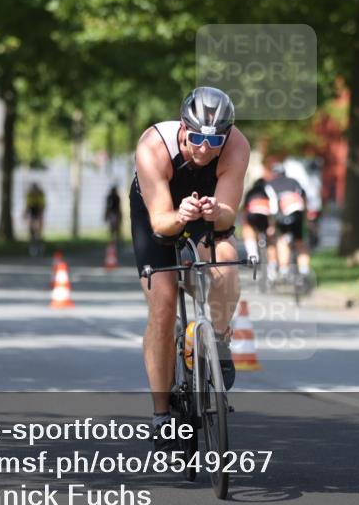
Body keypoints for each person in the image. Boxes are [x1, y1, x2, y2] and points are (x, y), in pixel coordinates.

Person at [130, 86, 250, 447]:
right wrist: (178, 216)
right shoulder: (153, 146)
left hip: (206, 212)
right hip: (160, 213)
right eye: (196, 138)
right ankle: (161, 413)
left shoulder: (237, 146)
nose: (204, 148)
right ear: (183, 128)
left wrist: (217, 213)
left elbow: (228, 212)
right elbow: (161, 223)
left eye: (214, 141)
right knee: (164, 306)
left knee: (227, 260)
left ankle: (217, 342)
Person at [265, 162, 311, 280]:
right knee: (300, 242)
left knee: (282, 240)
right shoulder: (294, 182)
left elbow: (273, 207)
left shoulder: (270, 185)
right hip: (298, 213)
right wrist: (306, 219)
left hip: (282, 214)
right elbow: (304, 199)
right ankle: (304, 270)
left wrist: (271, 225)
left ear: (274, 174)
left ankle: (284, 269)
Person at [240, 174, 274, 265]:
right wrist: (271, 226)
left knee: (248, 229)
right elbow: (273, 210)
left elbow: (245, 210)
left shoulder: (250, 192)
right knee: (271, 239)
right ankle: (272, 264)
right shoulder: (268, 192)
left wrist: (244, 224)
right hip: (265, 215)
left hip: (252, 215)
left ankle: (252, 254)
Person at [24, 183, 46, 247]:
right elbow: (28, 206)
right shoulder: (29, 194)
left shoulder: (40, 194)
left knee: (39, 222)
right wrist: (25, 214)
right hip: (32, 208)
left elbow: (41, 206)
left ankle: (39, 235)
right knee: (31, 222)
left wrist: (40, 216)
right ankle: (32, 235)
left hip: (39, 208)